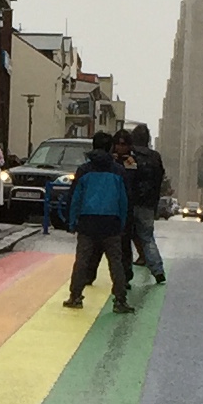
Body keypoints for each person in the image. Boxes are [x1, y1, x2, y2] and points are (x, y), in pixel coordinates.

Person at [62, 132, 134, 313]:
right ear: (111, 148)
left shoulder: (84, 170)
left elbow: (75, 198)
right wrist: (123, 223)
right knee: (115, 262)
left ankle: (75, 296)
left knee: (82, 260)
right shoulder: (118, 171)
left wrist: (72, 222)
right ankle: (120, 300)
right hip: (111, 223)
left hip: (87, 221)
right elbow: (124, 201)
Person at [122, 118, 168, 290]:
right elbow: (159, 178)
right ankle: (158, 270)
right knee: (148, 237)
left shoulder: (130, 155)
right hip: (148, 203)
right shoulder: (155, 157)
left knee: (125, 238)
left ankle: (125, 275)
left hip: (130, 201)